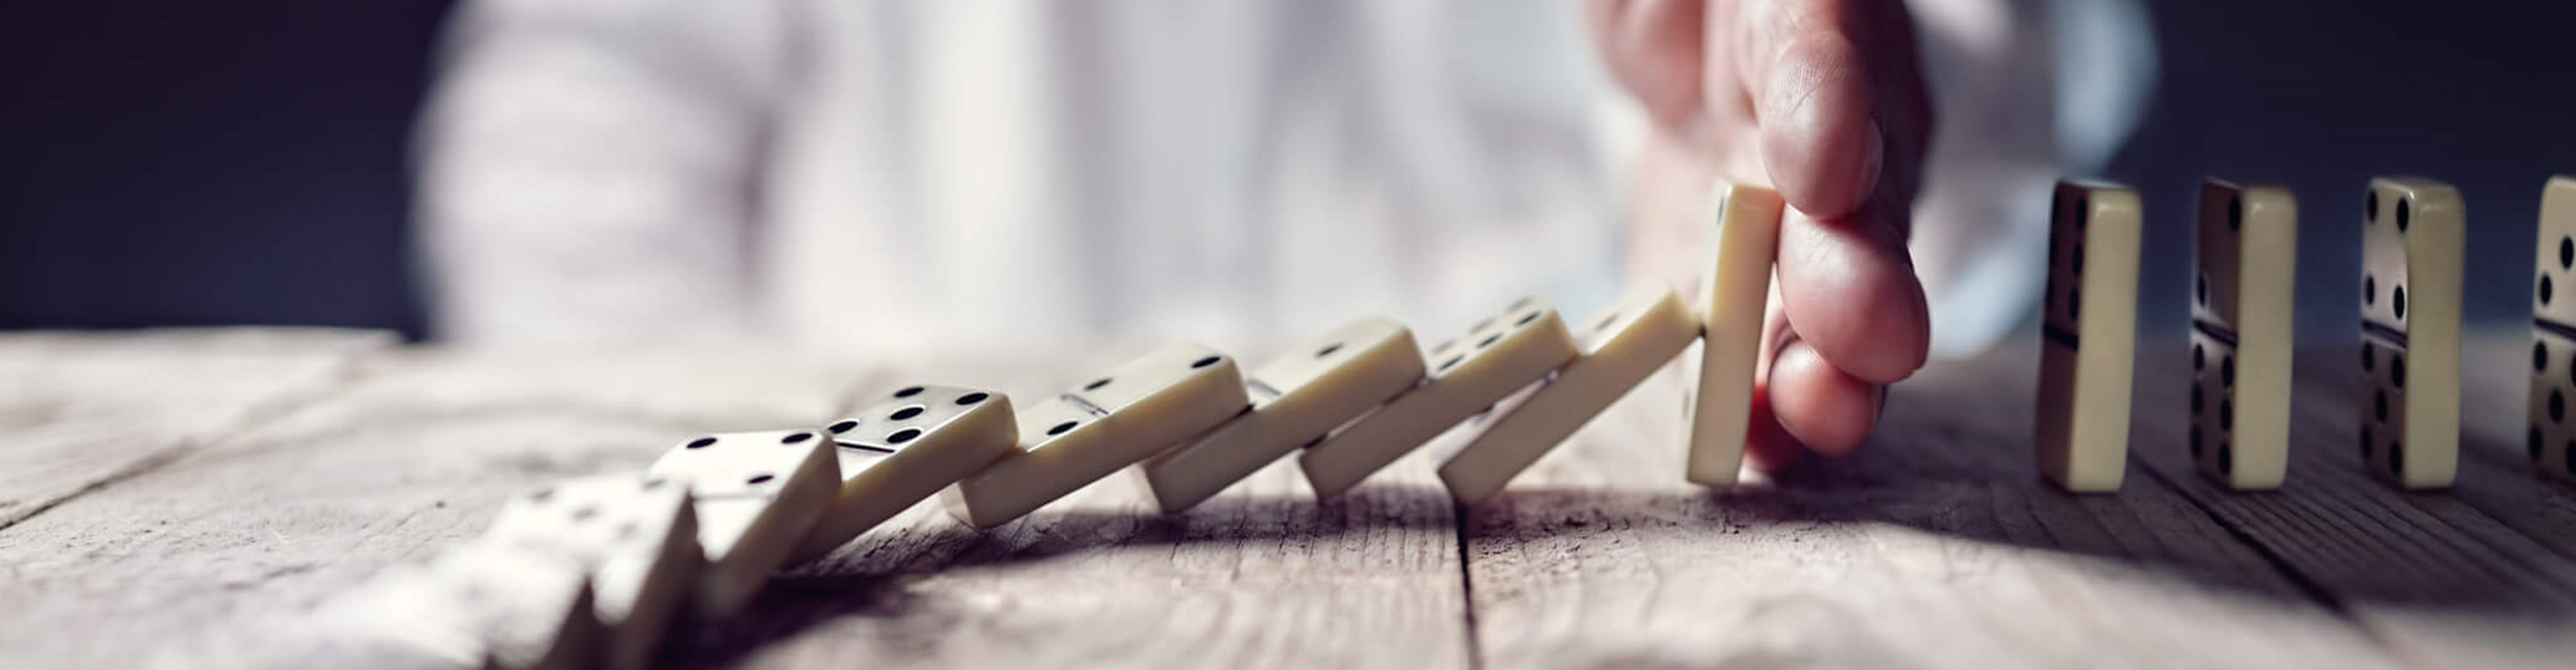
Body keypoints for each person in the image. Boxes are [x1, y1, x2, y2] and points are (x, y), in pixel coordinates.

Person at [418, 0, 2151, 471]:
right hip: (887, 488)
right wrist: (733, 490)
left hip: (1595, 455)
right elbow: (584, 121)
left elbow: (2035, 52)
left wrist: (1861, 104)